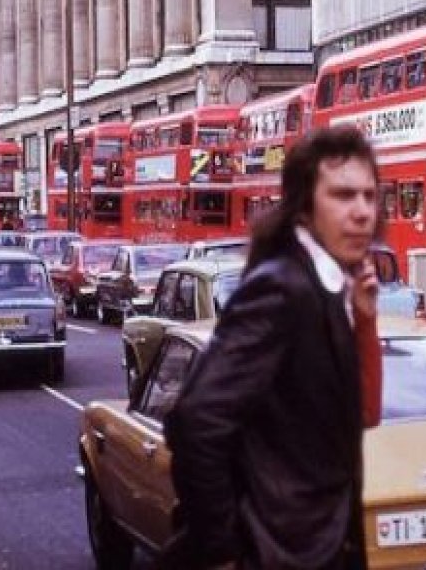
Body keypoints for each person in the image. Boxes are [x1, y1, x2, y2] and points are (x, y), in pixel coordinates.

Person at [162, 127, 383, 570]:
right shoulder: (283, 289)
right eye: (342, 196)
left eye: (369, 196)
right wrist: (222, 552)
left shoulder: (326, 287)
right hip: (280, 555)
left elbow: (364, 414)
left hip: (319, 550)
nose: (362, 212)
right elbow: (195, 421)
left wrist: (364, 319)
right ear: (304, 207)